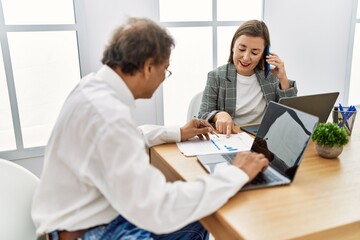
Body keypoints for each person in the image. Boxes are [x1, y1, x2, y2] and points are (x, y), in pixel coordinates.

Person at [31, 17, 269, 240]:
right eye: (165, 69)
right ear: (147, 68)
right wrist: (236, 174)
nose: (165, 77)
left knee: (200, 217)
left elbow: (129, 136)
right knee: (198, 211)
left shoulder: (93, 88)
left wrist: (177, 132)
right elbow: (159, 208)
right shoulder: (109, 117)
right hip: (91, 232)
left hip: (84, 216)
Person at [198, 20, 298, 137]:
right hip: (232, 138)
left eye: (254, 52)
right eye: (241, 49)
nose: (246, 58)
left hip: (263, 139)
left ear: (264, 54)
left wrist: (283, 79)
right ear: (233, 47)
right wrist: (218, 115)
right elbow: (202, 116)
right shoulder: (216, 76)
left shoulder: (270, 77)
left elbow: (289, 117)